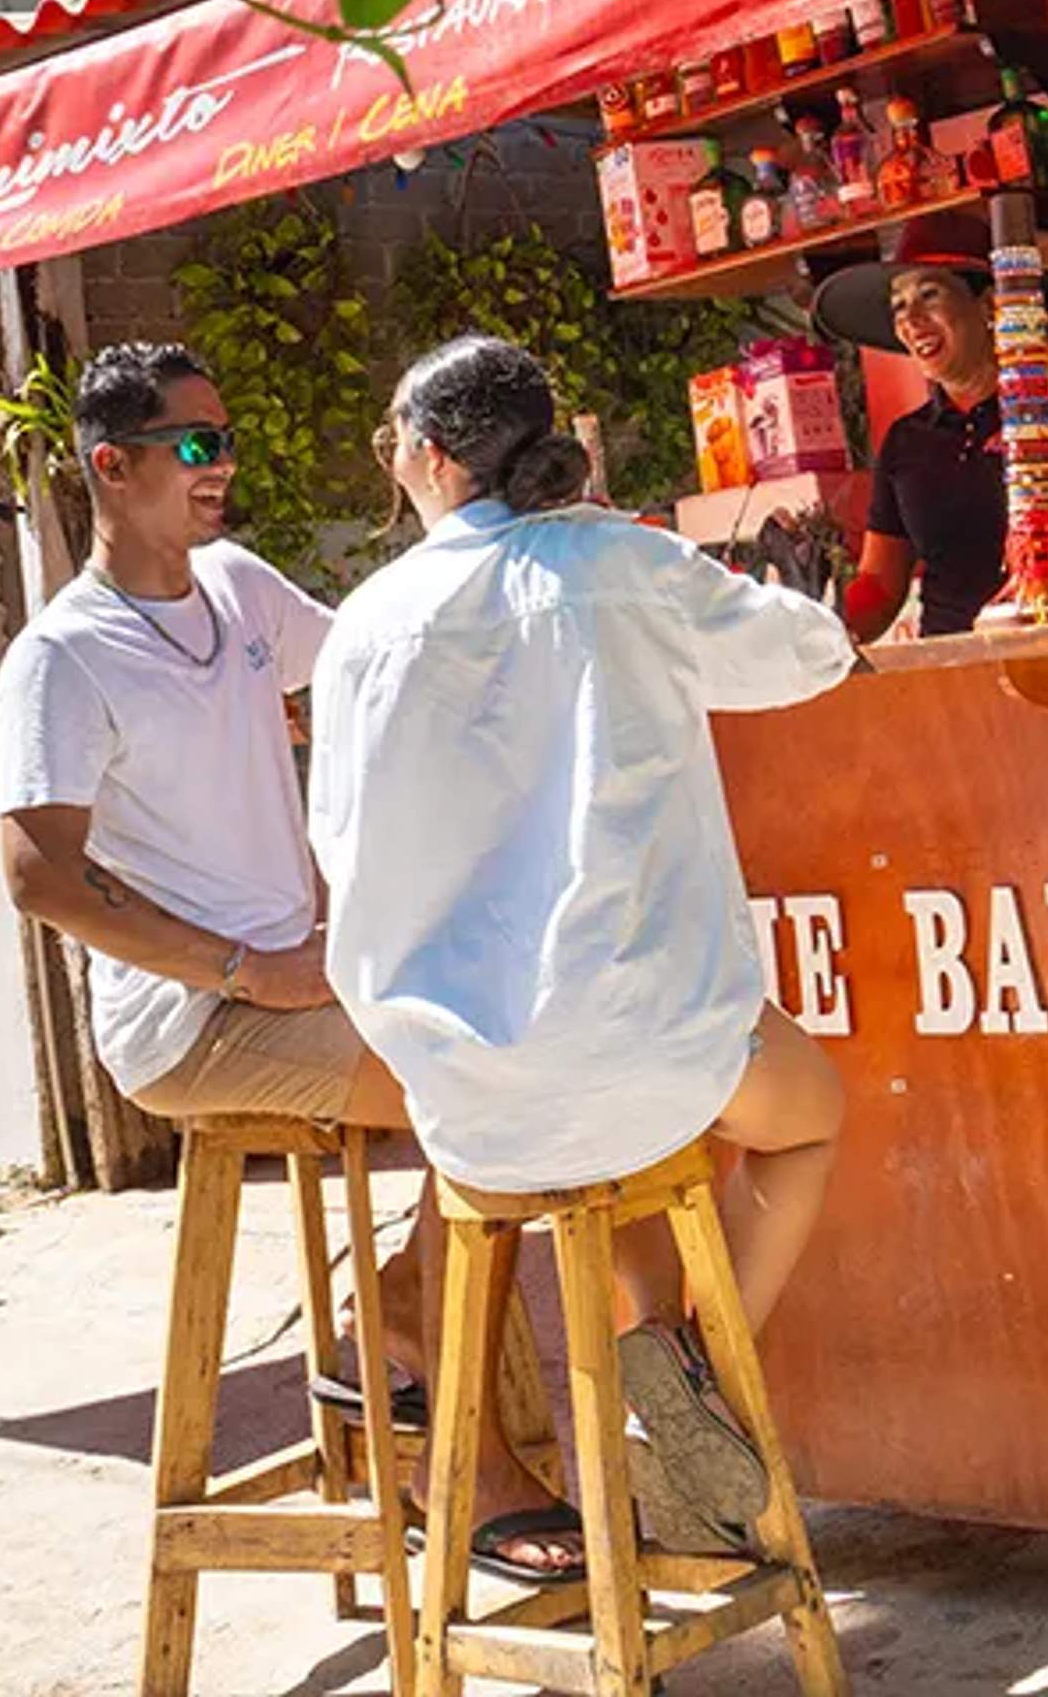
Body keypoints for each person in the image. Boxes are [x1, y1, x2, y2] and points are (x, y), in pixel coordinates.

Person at [0, 341, 569, 1578]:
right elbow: (40, 873)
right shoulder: (63, 656)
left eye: (226, 441)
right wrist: (247, 970)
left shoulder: (242, 590)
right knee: (490, 1093)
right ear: (113, 464)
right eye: (197, 446)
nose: (224, 466)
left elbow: (378, 669)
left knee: (526, 1049)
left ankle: (401, 1312)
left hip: (315, 978)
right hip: (189, 1023)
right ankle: (464, 1458)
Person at [311, 336, 855, 1556]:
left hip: (465, 1097)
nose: (390, 458)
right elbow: (806, 654)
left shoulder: (365, 624)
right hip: (657, 1059)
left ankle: (675, 1373)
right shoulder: (616, 562)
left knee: (599, 1143)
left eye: (393, 437)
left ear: (435, 457)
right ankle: (698, 1377)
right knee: (799, 1111)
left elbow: (339, 845)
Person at [811, 214, 1048, 638]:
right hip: (953, 668)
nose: (911, 320)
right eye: (899, 306)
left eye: (930, 295)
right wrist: (816, 629)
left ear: (988, 303)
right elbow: (881, 586)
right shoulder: (906, 441)